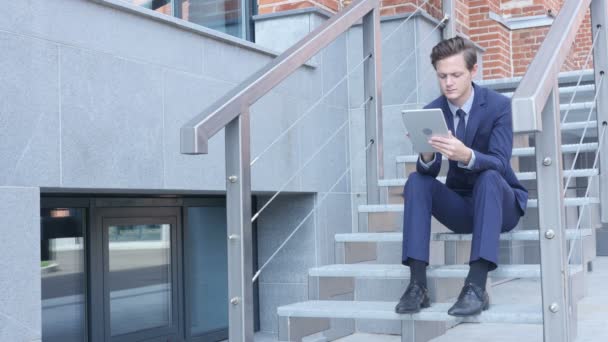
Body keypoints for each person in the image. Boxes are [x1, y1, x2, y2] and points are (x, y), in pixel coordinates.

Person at [394, 36, 528, 317]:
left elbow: (501, 163)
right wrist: (426, 154)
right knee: (416, 181)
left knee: (489, 176)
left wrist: (466, 155)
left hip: (500, 205)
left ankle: (476, 286)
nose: (449, 83)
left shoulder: (498, 106)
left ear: (473, 71)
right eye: (442, 76)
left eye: (456, 74)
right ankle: (418, 285)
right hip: (462, 206)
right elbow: (428, 172)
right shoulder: (434, 109)